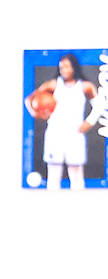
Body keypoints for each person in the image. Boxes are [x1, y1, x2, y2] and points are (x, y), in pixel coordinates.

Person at [25, 53, 101, 190]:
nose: (64, 70)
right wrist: (37, 113)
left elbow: (99, 106)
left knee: (76, 174)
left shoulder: (85, 86)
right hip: (55, 133)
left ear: (74, 67)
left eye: (67, 66)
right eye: (61, 67)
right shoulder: (54, 84)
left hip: (75, 134)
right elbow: (29, 99)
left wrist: (89, 122)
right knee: (53, 174)